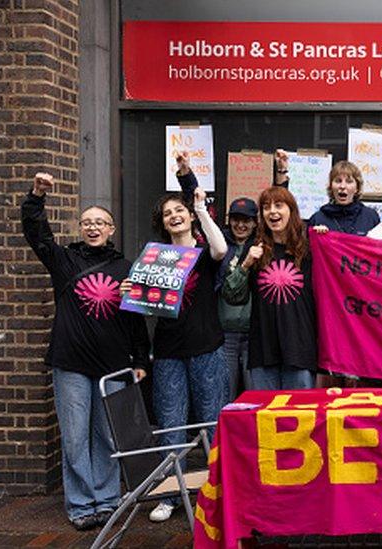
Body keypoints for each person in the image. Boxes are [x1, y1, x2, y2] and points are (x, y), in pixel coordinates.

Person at [22, 172, 150, 530]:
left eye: (100, 223)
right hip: (72, 365)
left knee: (107, 435)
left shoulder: (126, 268)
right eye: (87, 222)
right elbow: (37, 235)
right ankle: (81, 505)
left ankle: (107, 500)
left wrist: (140, 360)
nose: (93, 227)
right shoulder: (64, 262)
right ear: (81, 228)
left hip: (112, 366)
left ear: (112, 229)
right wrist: (36, 197)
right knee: (76, 438)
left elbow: (136, 322)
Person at [141, 154, 228, 522]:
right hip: (168, 353)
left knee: (210, 424)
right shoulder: (156, 256)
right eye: (167, 214)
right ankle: (170, 495)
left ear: (190, 216)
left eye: (179, 211)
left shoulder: (204, 250)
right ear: (162, 224)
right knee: (172, 424)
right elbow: (148, 309)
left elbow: (221, 249)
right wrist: (136, 291)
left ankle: (214, 493)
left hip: (206, 348)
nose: (174, 216)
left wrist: (200, 207)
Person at [222, 186, 319, 391]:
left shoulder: (309, 249)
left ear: (291, 210)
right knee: (265, 419)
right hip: (263, 352)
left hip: (299, 350)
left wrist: (324, 236)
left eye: (278, 205)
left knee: (299, 418)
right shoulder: (255, 250)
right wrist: (246, 264)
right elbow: (232, 295)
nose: (272, 211)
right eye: (266, 208)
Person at [217, 197, 258, 399]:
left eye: (247, 220)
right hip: (225, 334)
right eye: (236, 219)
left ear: (255, 222)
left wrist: (282, 176)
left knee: (255, 396)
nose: (240, 225)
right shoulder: (219, 246)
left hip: (255, 334)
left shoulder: (261, 245)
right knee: (225, 393)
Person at [307, 159, 380, 235]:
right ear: (331, 186)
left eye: (349, 181)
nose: (342, 186)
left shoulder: (370, 217)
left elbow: (380, 245)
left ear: (357, 188)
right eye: (338, 181)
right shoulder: (318, 219)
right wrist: (315, 234)